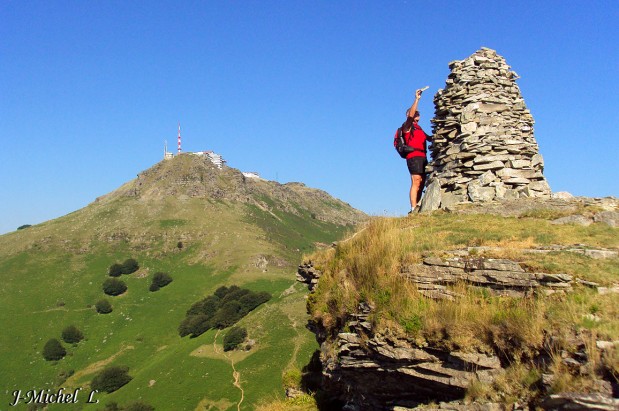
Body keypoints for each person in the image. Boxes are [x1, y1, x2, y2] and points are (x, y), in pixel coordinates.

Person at [397, 88, 433, 214]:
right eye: (415, 113)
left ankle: (417, 206)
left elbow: (429, 138)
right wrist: (417, 99)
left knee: (422, 182)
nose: (417, 114)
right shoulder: (407, 126)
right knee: (416, 180)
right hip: (413, 156)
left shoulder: (419, 128)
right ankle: (413, 208)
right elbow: (411, 115)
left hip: (423, 156)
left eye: (418, 113)